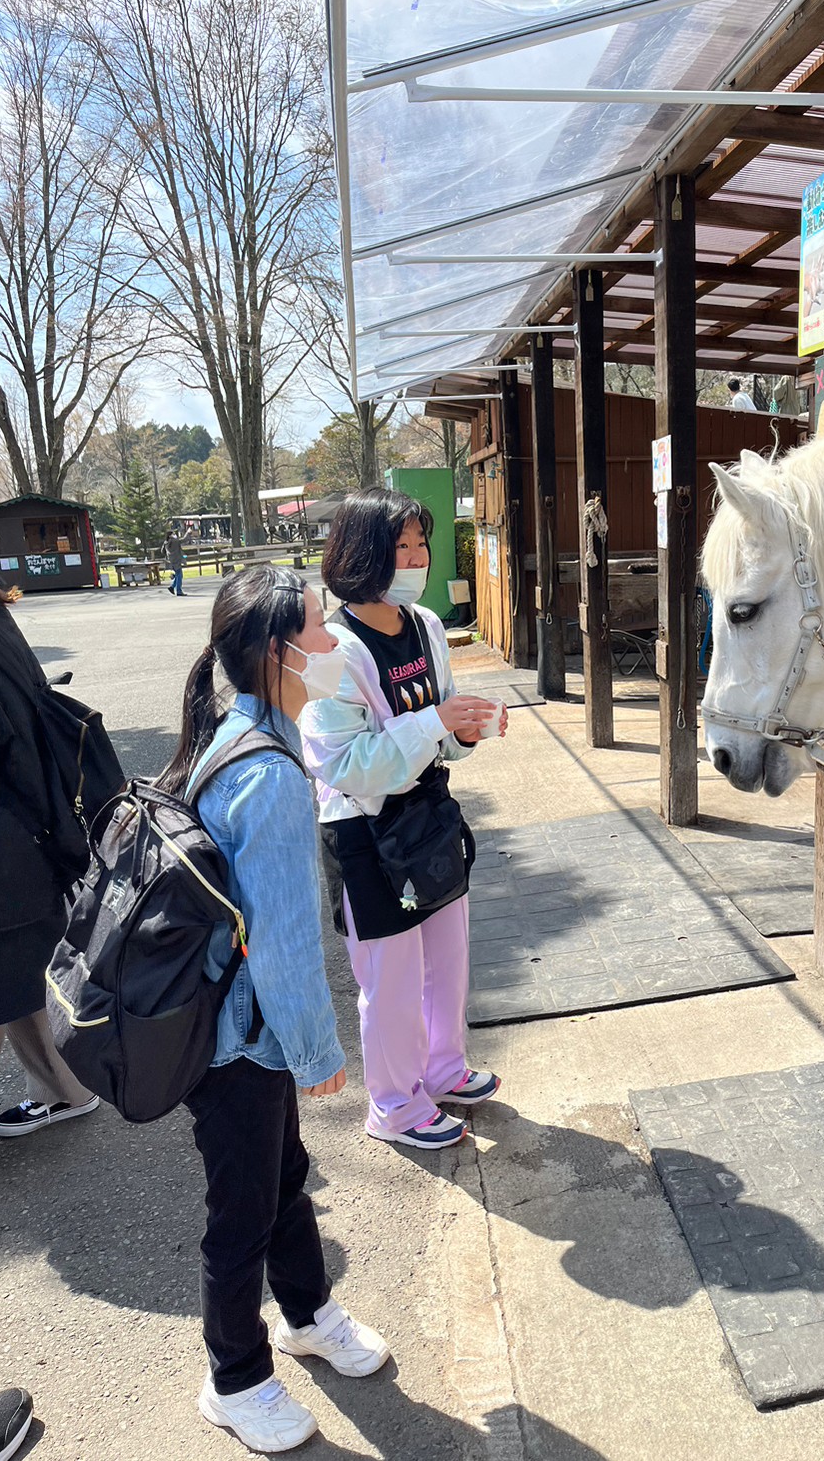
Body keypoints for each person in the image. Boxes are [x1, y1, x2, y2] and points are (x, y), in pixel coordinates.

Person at [156, 565, 389, 1453]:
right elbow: (282, 943)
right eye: (320, 630)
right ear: (277, 652)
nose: (333, 643)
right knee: (242, 1211)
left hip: (224, 1026)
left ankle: (307, 1312)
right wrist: (319, 1053)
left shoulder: (242, 731)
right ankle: (235, 1378)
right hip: (238, 1042)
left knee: (280, 1175)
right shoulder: (273, 775)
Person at [301, 489, 504, 1152]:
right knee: (390, 980)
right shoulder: (334, 651)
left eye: (421, 545)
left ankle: (443, 1069)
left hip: (427, 815)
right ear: (361, 554)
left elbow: (440, 725)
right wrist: (434, 722)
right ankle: (393, 1103)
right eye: (401, 547)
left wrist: (464, 729)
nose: (416, 559)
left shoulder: (425, 625)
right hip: (364, 833)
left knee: (446, 956)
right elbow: (345, 764)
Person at [0, 582, 99, 1138]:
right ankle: (66, 1089)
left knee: (16, 973)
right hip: (31, 837)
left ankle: (67, 1089)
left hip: (13, 846)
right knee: (22, 975)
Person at [164, 530, 185, 596]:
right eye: (173, 534)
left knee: (178, 575)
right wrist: (188, 533)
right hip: (176, 560)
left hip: (171, 560)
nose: (175, 535)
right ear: (170, 535)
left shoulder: (166, 542)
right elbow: (183, 540)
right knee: (179, 575)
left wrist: (168, 554)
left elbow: (162, 551)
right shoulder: (174, 541)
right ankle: (178, 591)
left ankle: (172, 587)